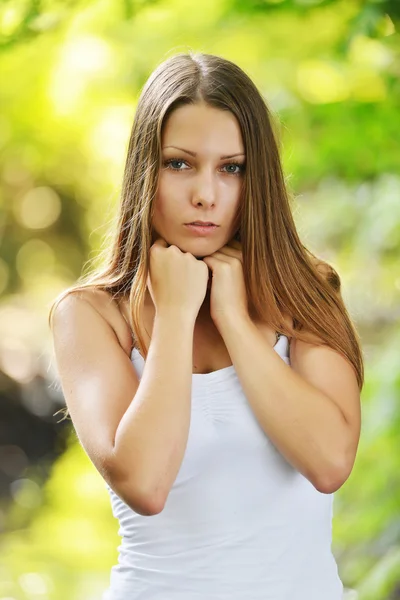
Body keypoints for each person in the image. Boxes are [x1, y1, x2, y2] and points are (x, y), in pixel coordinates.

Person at [49, 51, 363, 600]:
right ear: (145, 169)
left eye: (231, 168)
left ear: (255, 178)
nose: (205, 193)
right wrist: (172, 314)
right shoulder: (91, 316)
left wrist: (234, 318)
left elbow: (329, 461)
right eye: (179, 163)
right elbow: (145, 483)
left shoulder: (307, 293)